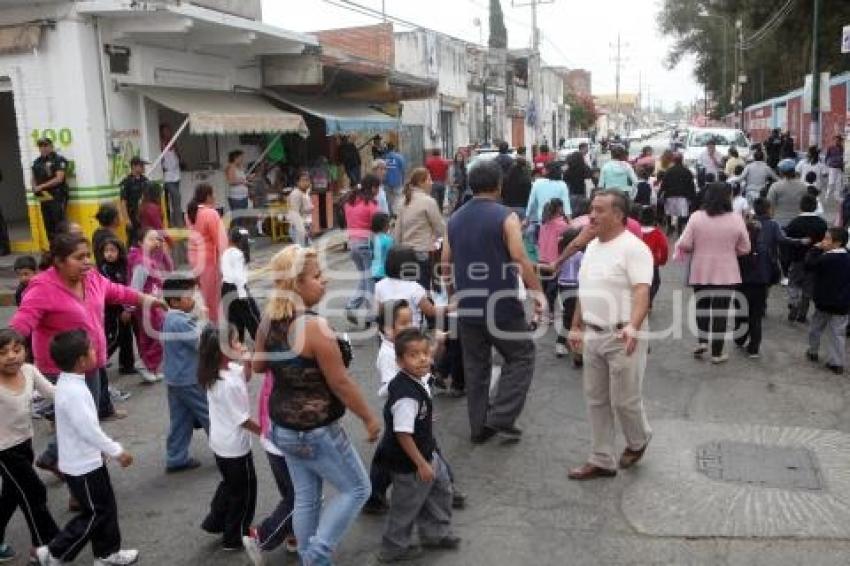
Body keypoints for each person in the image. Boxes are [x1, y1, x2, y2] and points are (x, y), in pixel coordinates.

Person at [252, 245, 380, 566]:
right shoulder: (314, 327)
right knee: (358, 490)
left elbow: (257, 366)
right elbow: (340, 383)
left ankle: (314, 559)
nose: (325, 281)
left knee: (308, 497)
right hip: (316, 430)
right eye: (317, 276)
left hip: (283, 428)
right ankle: (316, 556)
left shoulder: (270, 319)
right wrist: (368, 418)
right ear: (296, 283)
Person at [11, 232, 163, 483]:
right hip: (62, 369)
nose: (87, 262)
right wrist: (10, 350)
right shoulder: (41, 287)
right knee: (81, 424)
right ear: (59, 261)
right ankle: (81, 486)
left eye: (87, 256)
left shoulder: (91, 277)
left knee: (79, 421)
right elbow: (23, 322)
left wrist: (148, 300)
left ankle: (55, 457)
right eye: (78, 257)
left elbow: (116, 291)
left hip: (91, 362)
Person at [442, 160, 544, 444]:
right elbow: (520, 258)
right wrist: (538, 293)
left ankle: (478, 427)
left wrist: (453, 294)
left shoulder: (454, 219)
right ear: (499, 185)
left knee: (476, 367)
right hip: (501, 303)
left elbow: (445, 263)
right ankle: (501, 416)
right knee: (521, 355)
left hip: (468, 305)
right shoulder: (505, 216)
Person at [565, 190, 654, 480]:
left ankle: (638, 439)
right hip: (593, 333)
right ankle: (602, 458)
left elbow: (642, 291)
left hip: (622, 335)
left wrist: (633, 325)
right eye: (592, 209)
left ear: (618, 215)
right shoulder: (591, 246)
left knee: (625, 401)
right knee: (596, 399)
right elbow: (585, 288)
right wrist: (576, 325)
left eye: (600, 210)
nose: (592, 215)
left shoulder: (634, 248)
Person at [35, 330, 138, 566]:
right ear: (81, 360)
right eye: (92, 349)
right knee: (95, 513)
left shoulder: (71, 383)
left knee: (106, 508)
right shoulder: (75, 392)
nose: (96, 351)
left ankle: (107, 554)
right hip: (82, 467)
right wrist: (116, 451)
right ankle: (54, 552)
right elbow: (89, 429)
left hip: (86, 461)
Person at [375, 328, 460, 563]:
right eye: (414, 355)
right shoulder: (406, 394)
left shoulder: (416, 379)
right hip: (411, 462)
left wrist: (423, 417)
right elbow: (402, 433)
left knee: (441, 491)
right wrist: (421, 464)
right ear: (400, 361)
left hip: (426, 451)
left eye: (425, 352)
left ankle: (436, 533)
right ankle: (393, 548)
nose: (423, 358)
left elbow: (411, 418)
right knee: (406, 506)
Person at [675, 183, 751, 363]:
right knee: (721, 313)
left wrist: (699, 247)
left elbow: (684, 243)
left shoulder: (696, 217)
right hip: (727, 272)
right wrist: (730, 252)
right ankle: (717, 353)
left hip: (700, 270)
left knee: (702, 307)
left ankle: (702, 341)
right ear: (728, 198)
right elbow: (745, 248)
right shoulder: (736, 219)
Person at [0, 329, 58, 563]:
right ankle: (43, 545)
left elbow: (55, 393)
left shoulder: (29, 370)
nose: (12, 356)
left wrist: (78, 393)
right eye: (3, 353)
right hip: (3, 451)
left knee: (12, 496)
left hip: (25, 444)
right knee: (34, 492)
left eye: (17, 349)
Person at [199, 325, 259, 551]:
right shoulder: (227, 384)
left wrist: (247, 361)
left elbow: (245, 376)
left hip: (220, 443)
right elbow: (242, 419)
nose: (241, 344)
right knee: (244, 491)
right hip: (234, 447)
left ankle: (216, 520)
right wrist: (266, 432)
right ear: (223, 351)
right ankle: (235, 535)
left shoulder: (220, 371)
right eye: (235, 342)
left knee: (229, 485)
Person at [242, 363, 298, 565]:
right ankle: (261, 536)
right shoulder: (289, 370)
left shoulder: (274, 365)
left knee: (290, 495)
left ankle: (293, 536)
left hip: (272, 441)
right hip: (283, 445)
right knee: (300, 498)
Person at [161, 275, 208, 474]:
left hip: (176, 378)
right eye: (189, 296)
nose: (193, 299)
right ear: (174, 301)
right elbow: (201, 343)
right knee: (210, 414)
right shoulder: (179, 321)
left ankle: (175, 457)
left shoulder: (172, 318)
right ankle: (227, 450)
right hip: (189, 378)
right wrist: (204, 320)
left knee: (180, 419)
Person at [128, 228, 172, 383]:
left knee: (150, 337)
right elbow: (135, 287)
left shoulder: (149, 259)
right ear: (140, 242)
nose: (157, 242)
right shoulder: (141, 263)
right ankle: (144, 364)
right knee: (157, 336)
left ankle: (150, 367)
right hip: (147, 306)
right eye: (151, 239)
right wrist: (130, 307)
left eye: (158, 239)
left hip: (153, 305)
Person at [97, 237, 135, 410]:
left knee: (126, 338)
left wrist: (128, 308)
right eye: (106, 251)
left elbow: (127, 288)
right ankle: (100, 362)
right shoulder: (104, 269)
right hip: (112, 310)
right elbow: (112, 291)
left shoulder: (124, 267)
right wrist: (124, 309)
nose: (109, 254)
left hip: (124, 308)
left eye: (112, 250)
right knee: (113, 338)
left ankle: (127, 365)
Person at [805, 227, 850, 374]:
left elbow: (809, 265)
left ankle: (813, 351)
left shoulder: (826, 258)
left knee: (816, 328)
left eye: (827, 238)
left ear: (837, 243)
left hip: (823, 302)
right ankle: (836, 363)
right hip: (843, 304)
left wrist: (815, 249)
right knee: (838, 333)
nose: (823, 241)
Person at [393, 168, 445, 292]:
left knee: (408, 289)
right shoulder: (428, 202)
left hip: (405, 253)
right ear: (421, 183)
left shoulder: (403, 201)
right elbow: (440, 228)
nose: (432, 183)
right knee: (422, 289)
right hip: (422, 251)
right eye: (429, 179)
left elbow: (397, 230)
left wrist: (397, 249)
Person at [784, 195, 828, 323]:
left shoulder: (794, 223)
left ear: (800, 206)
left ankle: (794, 302)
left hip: (797, 259)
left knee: (793, 283)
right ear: (815, 206)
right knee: (808, 288)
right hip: (815, 261)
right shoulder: (821, 224)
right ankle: (803, 314)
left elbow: (788, 243)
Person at [187, 183, 227, 323]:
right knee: (213, 300)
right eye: (213, 194)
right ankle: (215, 332)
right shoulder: (210, 213)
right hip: (209, 262)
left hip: (195, 260)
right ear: (208, 196)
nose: (215, 197)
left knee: (205, 296)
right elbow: (221, 241)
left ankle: (210, 326)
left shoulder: (191, 213)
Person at [343, 175, 380, 321]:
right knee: (370, 280)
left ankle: (352, 306)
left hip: (353, 244)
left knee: (364, 278)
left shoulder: (349, 202)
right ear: (372, 188)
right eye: (378, 187)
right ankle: (371, 315)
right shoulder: (371, 204)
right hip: (366, 244)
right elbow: (377, 224)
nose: (378, 190)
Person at [221, 227, 260, 341]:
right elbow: (239, 277)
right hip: (238, 290)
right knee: (251, 318)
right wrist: (243, 295)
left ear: (230, 239)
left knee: (234, 320)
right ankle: (261, 344)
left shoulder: (227, 252)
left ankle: (237, 344)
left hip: (226, 289)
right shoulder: (238, 254)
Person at [553, 229, 584, 365]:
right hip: (575, 286)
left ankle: (563, 344)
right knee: (574, 317)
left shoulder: (562, 254)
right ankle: (562, 343)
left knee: (568, 314)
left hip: (562, 286)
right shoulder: (580, 255)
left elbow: (557, 270)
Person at [31, 138, 69, 243]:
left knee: (60, 224)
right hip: (43, 196)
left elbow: (59, 178)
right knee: (48, 225)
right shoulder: (37, 162)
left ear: (51, 146)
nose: (43, 148)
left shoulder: (58, 159)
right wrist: (34, 187)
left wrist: (41, 186)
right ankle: (53, 249)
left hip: (57, 195)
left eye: (45, 145)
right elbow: (34, 177)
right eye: (40, 146)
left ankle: (63, 249)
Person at [658, 153, 695, 235]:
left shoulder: (669, 171)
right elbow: (691, 185)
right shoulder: (687, 171)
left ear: (673, 161)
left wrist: (660, 193)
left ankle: (670, 227)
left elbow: (664, 184)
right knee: (681, 213)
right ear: (682, 160)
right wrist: (692, 197)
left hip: (670, 195)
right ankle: (679, 229)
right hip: (683, 196)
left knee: (669, 212)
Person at [639, 206, 668, 308]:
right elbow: (664, 248)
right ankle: (648, 300)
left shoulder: (637, 230)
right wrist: (662, 261)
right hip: (653, 263)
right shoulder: (657, 233)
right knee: (655, 283)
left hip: (637, 262)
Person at [767, 159, 809, 227]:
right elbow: (806, 205)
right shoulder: (803, 186)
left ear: (781, 172)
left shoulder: (775, 186)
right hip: (798, 223)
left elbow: (769, 205)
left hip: (779, 223)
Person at [118, 157, 150, 247]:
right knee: (132, 241)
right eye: (141, 165)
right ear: (134, 166)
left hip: (143, 216)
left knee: (144, 238)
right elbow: (123, 202)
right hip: (132, 216)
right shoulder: (127, 182)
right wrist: (127, 219)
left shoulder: (145, 181)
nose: (144, 167)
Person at [159, 124, 183, 227]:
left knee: (175, 200)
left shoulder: (173, 142)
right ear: (162, 132)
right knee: (174, 197)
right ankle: (172, 222)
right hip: (167, 176)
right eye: (165, 131)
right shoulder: (160, 143)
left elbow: (178, 155)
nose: (168, 132)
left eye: (169, 130)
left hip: (176, 174)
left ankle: (177, 223)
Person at [502, 152, 533, 219]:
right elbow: (529, 194)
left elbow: (502, 193)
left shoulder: (506, 178)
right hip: (522, 207)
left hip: (508, 207)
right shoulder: (526, 179)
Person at [564, 144, 593, 212]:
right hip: (582, 192)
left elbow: (565, 179)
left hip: (572, 192)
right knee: (582, 211)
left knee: (573, 211)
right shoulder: (584, 168)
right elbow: (589, 174)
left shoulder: (569, 170)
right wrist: (585, 163)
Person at [225, 150, 253, 215]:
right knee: (237, 218)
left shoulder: (240, 167)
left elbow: (241, 178)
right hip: (236, 198)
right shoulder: (231, 167)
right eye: (241, 157)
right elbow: (231, 181)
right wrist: (244, 182)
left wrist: (248, 177)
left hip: (243, 196)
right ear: (235, 158)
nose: (242, 159)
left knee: (242, 217)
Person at [370, 212, 394, 282]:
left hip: (373, 271)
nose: (389, 225)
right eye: (388, 223)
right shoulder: (388, 240)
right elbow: (391, 256)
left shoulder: (372, 238)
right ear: (384, 225)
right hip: (384, 272)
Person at [384, 143, 407, 214]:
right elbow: (403, 170)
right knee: (398, 198)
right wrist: (403, 180)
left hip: (386, 181)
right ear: (394, 148)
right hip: (397, 181)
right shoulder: (399, 157)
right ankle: (396, 213)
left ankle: (390, 213)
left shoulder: (384, 157)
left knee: (388, 198)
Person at [825, 135, 845, 202]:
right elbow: (827, 157)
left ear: (840, 141)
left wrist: (843, 166)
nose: (837, 141)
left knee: (838, 183)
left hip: (840, 167)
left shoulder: (842, 148)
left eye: (839, 140)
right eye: (836, 140)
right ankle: (827, 195)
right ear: (834, 140)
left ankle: (837, 196)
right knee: (831, 182)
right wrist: (827, 165)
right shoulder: (830, 147)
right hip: (832, 167)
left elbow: (843, 157)